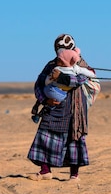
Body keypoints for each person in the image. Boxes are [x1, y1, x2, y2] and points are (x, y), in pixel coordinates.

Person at [27, 34, 97, 181]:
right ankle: (45, 171)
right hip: (54, 109)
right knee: (45, 135)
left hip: (75, 109)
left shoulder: (81, 65)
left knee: (74, 139)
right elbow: (39, 84)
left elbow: (78, 81)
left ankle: (74, 175)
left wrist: (60, 77)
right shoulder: (51, 65)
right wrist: (46, 99)